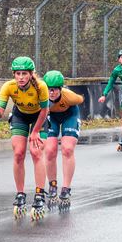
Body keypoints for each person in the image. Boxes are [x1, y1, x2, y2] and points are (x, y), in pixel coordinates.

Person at [0, 56, 49, 220]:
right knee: (18, 153)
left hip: (39, 117)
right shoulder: (8, 86)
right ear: (13, 74)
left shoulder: (41, 86)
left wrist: (35, 131)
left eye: (24, 74)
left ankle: (39, 194)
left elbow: (45, 110)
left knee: (36, 152)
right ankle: (20, 194)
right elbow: (0, 111)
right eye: (17, 73)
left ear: (31, 74)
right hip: (20, 116)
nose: (20, 77)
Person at [43, 70, 82, 209]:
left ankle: (66, 188)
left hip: (69, 115)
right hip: (52, 117)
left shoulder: (69, 96)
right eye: (48, 89)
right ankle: (52, 185)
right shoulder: (41, 96)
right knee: (50, 150)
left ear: (60, 89)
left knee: (67, 149)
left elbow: (81, 99)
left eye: (54, 89)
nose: (51, 92)